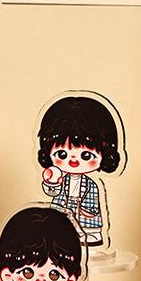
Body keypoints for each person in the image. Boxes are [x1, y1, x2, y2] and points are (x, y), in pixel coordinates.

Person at [37, 94, 125, 248]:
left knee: (88, 234)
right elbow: (52, 192)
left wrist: (87, 211)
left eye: (86, 155)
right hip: (62, 215)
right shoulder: (61, 179)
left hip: (85, 219)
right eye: (62, 154)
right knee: (60, 233)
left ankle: (90, 235)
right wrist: (52, 182)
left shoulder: (91, 185)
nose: (73, 161)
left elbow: (92, 204)